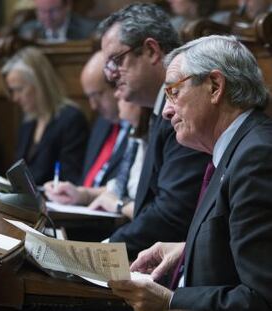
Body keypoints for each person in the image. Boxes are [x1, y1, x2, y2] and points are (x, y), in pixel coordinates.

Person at [108, 34, 272, 311]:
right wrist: (189, 249)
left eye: (174, 92)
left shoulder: (257, 158)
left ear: (215, 86)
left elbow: (261, 299)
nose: (166, 112)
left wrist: (168, 302)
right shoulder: (238, 148)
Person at [97, 3, 210, 260]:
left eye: (116, 61)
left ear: (151, 51)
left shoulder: (183, 110)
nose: (112, 75)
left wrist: (105, 250)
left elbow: (172, 213)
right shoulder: (157, 108)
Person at [45, 95, 151, 219]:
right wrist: (81, 194)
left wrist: (119, 206)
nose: (116, 94)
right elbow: (121, 186)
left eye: (122, 88)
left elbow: (161, 210)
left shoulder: (156, 135)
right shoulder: (135, 132)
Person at [1, 47, 89, 185]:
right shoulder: (28, 122)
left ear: (39, 84)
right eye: (12, 91)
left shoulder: (71, 119)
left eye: (19, 90)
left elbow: (69, 178)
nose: (15, 98)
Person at [79, 51, 130, 188]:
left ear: (117, 85)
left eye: (98, 95)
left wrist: (86, 196)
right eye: (89, 97)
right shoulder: (101, 123)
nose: (93, 106)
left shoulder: (141, 125)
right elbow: (87, 179)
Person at [18, 0, 97, 42]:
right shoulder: (27, 31)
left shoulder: (88, 31)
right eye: (42, 11)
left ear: (67, 6)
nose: (47, 17)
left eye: (52, 11)